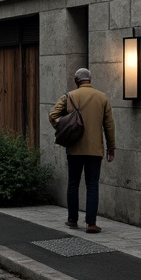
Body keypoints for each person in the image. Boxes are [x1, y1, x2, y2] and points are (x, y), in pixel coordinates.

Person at [49, 67, 115, 233]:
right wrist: (111, 147)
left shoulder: (69, 96)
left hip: (74, 148)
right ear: (90, 79)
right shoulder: (102, 97)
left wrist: (62, 125)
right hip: (95, 149)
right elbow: (109, 125)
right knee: (92, 185)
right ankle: (91, 223)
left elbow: (52, 115)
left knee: (73, 183)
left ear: (76, 80)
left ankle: (72, 220)